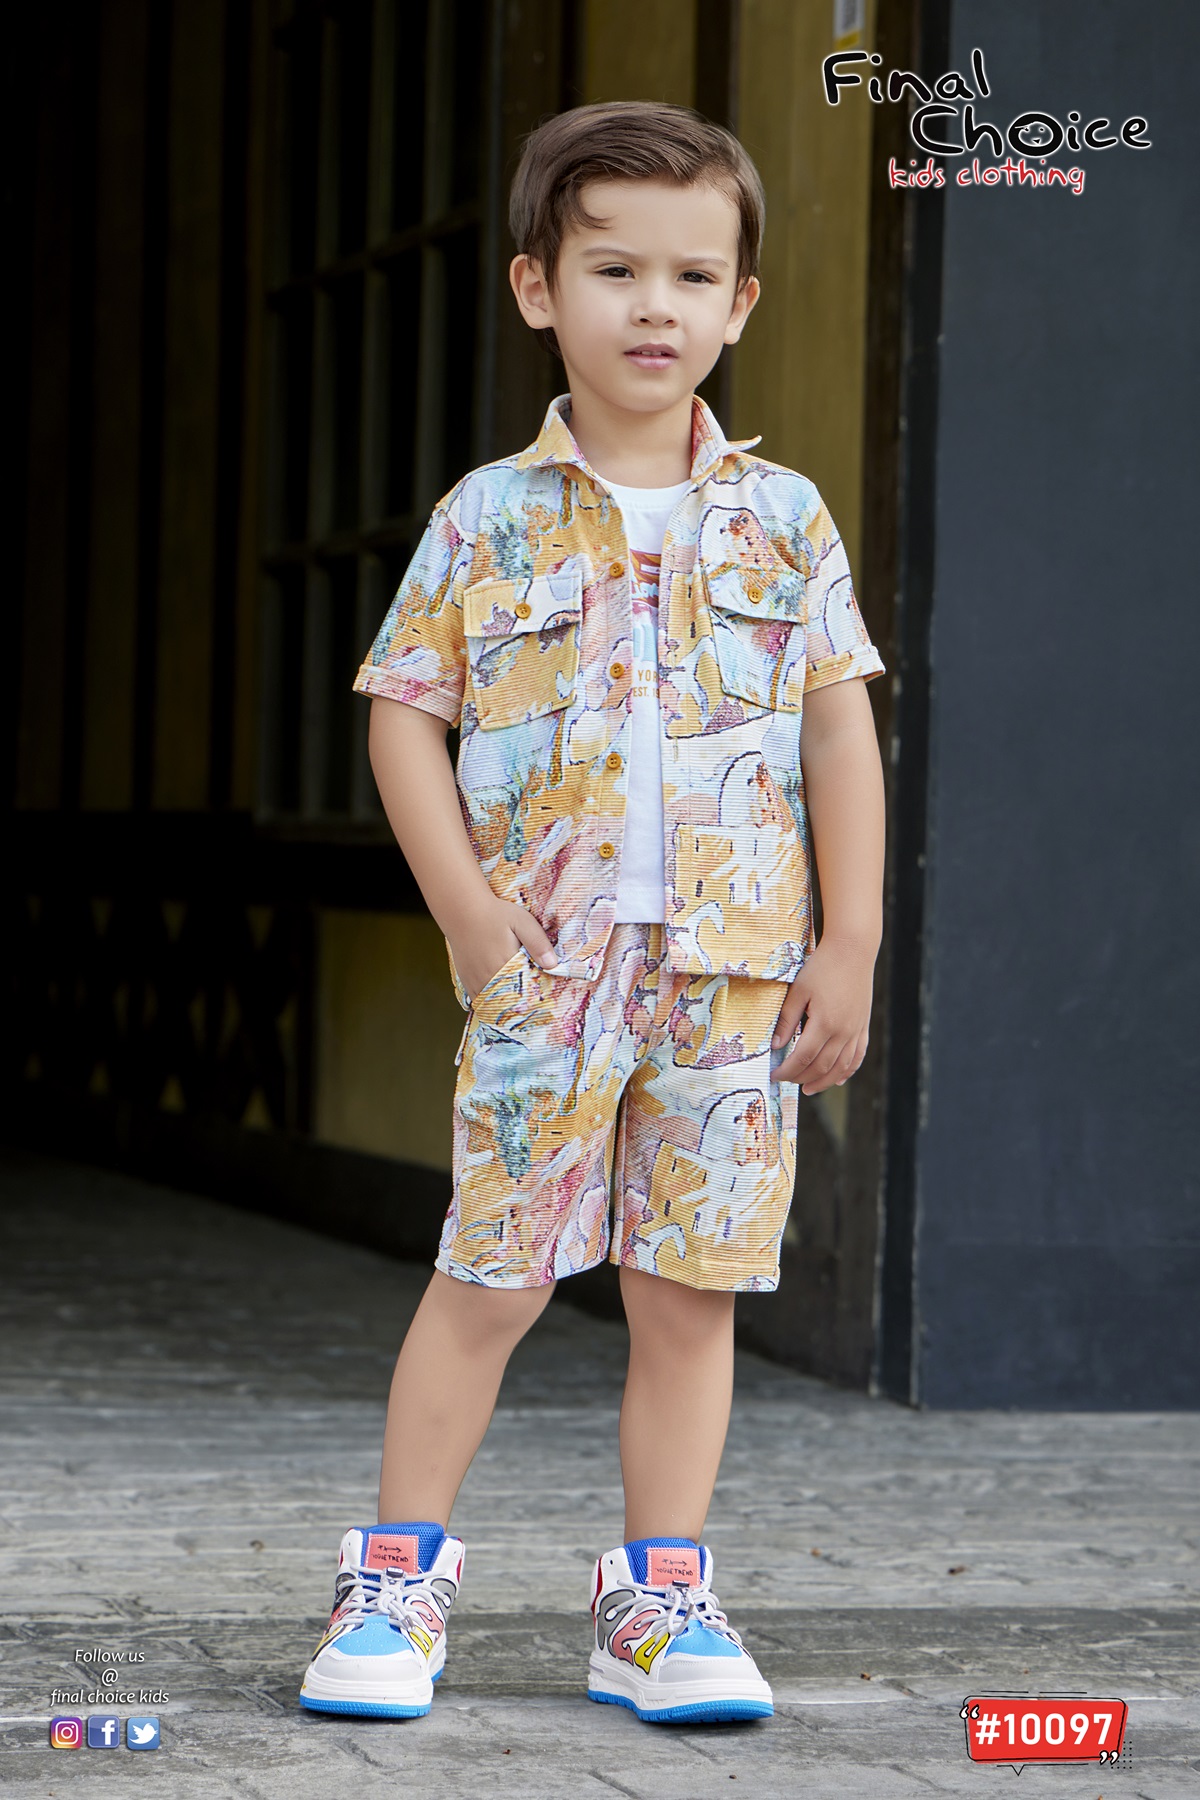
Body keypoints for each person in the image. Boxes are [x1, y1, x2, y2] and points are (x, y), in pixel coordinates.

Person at [299, 100, 886, 1727]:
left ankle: (658, 1606)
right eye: (615, 269)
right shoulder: (484, 517)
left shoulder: (785, 520)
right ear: (537, 287)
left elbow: (838, 730)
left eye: (693, 277)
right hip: (544, 973)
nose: (655, 306)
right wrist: (469, 918)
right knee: (493, 1276)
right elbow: (402, 717)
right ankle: (394, 1585)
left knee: (689, 1296)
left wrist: (848, 942)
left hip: (732, 980)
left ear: (740, 305)